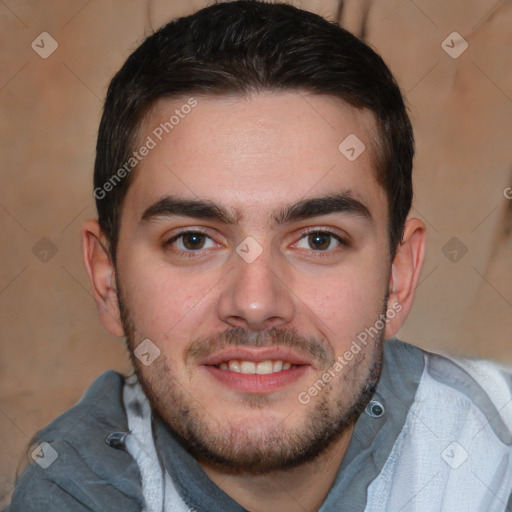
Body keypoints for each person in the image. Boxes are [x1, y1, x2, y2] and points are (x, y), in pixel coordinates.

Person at [6, 1, 512, 511]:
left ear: (399, 276)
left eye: (319, 240)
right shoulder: (73, 490)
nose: (254, 303)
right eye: (193, 240)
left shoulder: (496, 456)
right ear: (108, 279)